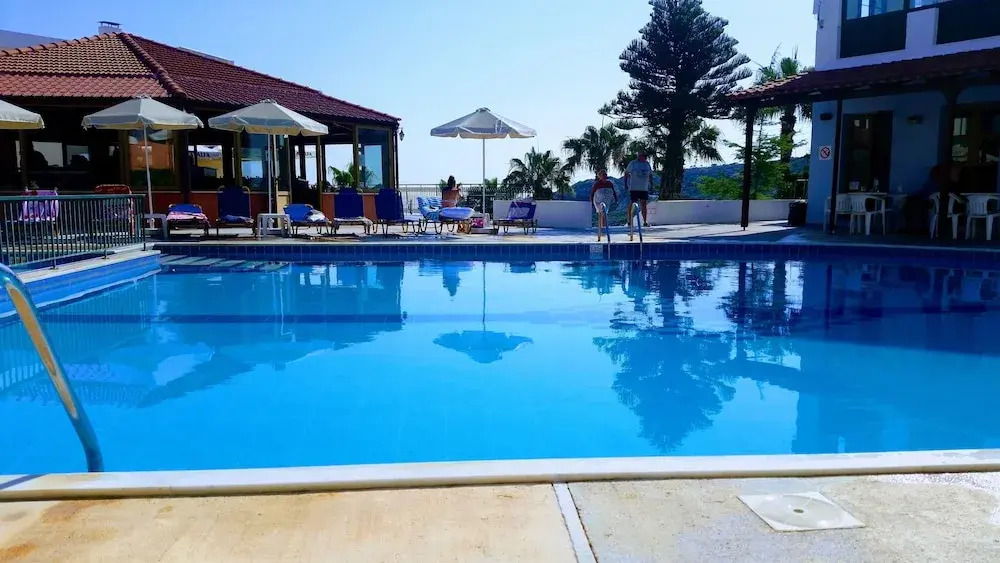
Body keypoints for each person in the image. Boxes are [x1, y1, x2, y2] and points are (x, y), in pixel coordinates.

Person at [624, 150, 653, 227]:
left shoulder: (647, 164)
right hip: (634, 187)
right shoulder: (633, 163)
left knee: (644, 204)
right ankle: (629, 220)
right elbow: (626, 173)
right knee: (633, 203)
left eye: (643, 155)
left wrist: (651, 184)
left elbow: (650, 174)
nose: (641, 157)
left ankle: (645, 221)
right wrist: (625, 184)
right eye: (640, 155)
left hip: (644, 187)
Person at [590, 169, 617, 241]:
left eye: (605, 175)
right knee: (602, 214)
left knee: (604, 214)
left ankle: (602, 228)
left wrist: (616, 199)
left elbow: (613, 192)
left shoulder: (609, 183)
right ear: (600, 176)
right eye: (603, 175)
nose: (604, 176)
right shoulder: (597, 184)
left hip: (606, 201)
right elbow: (592, 193)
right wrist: (591, 202)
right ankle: (602, 229)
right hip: (598, 200)